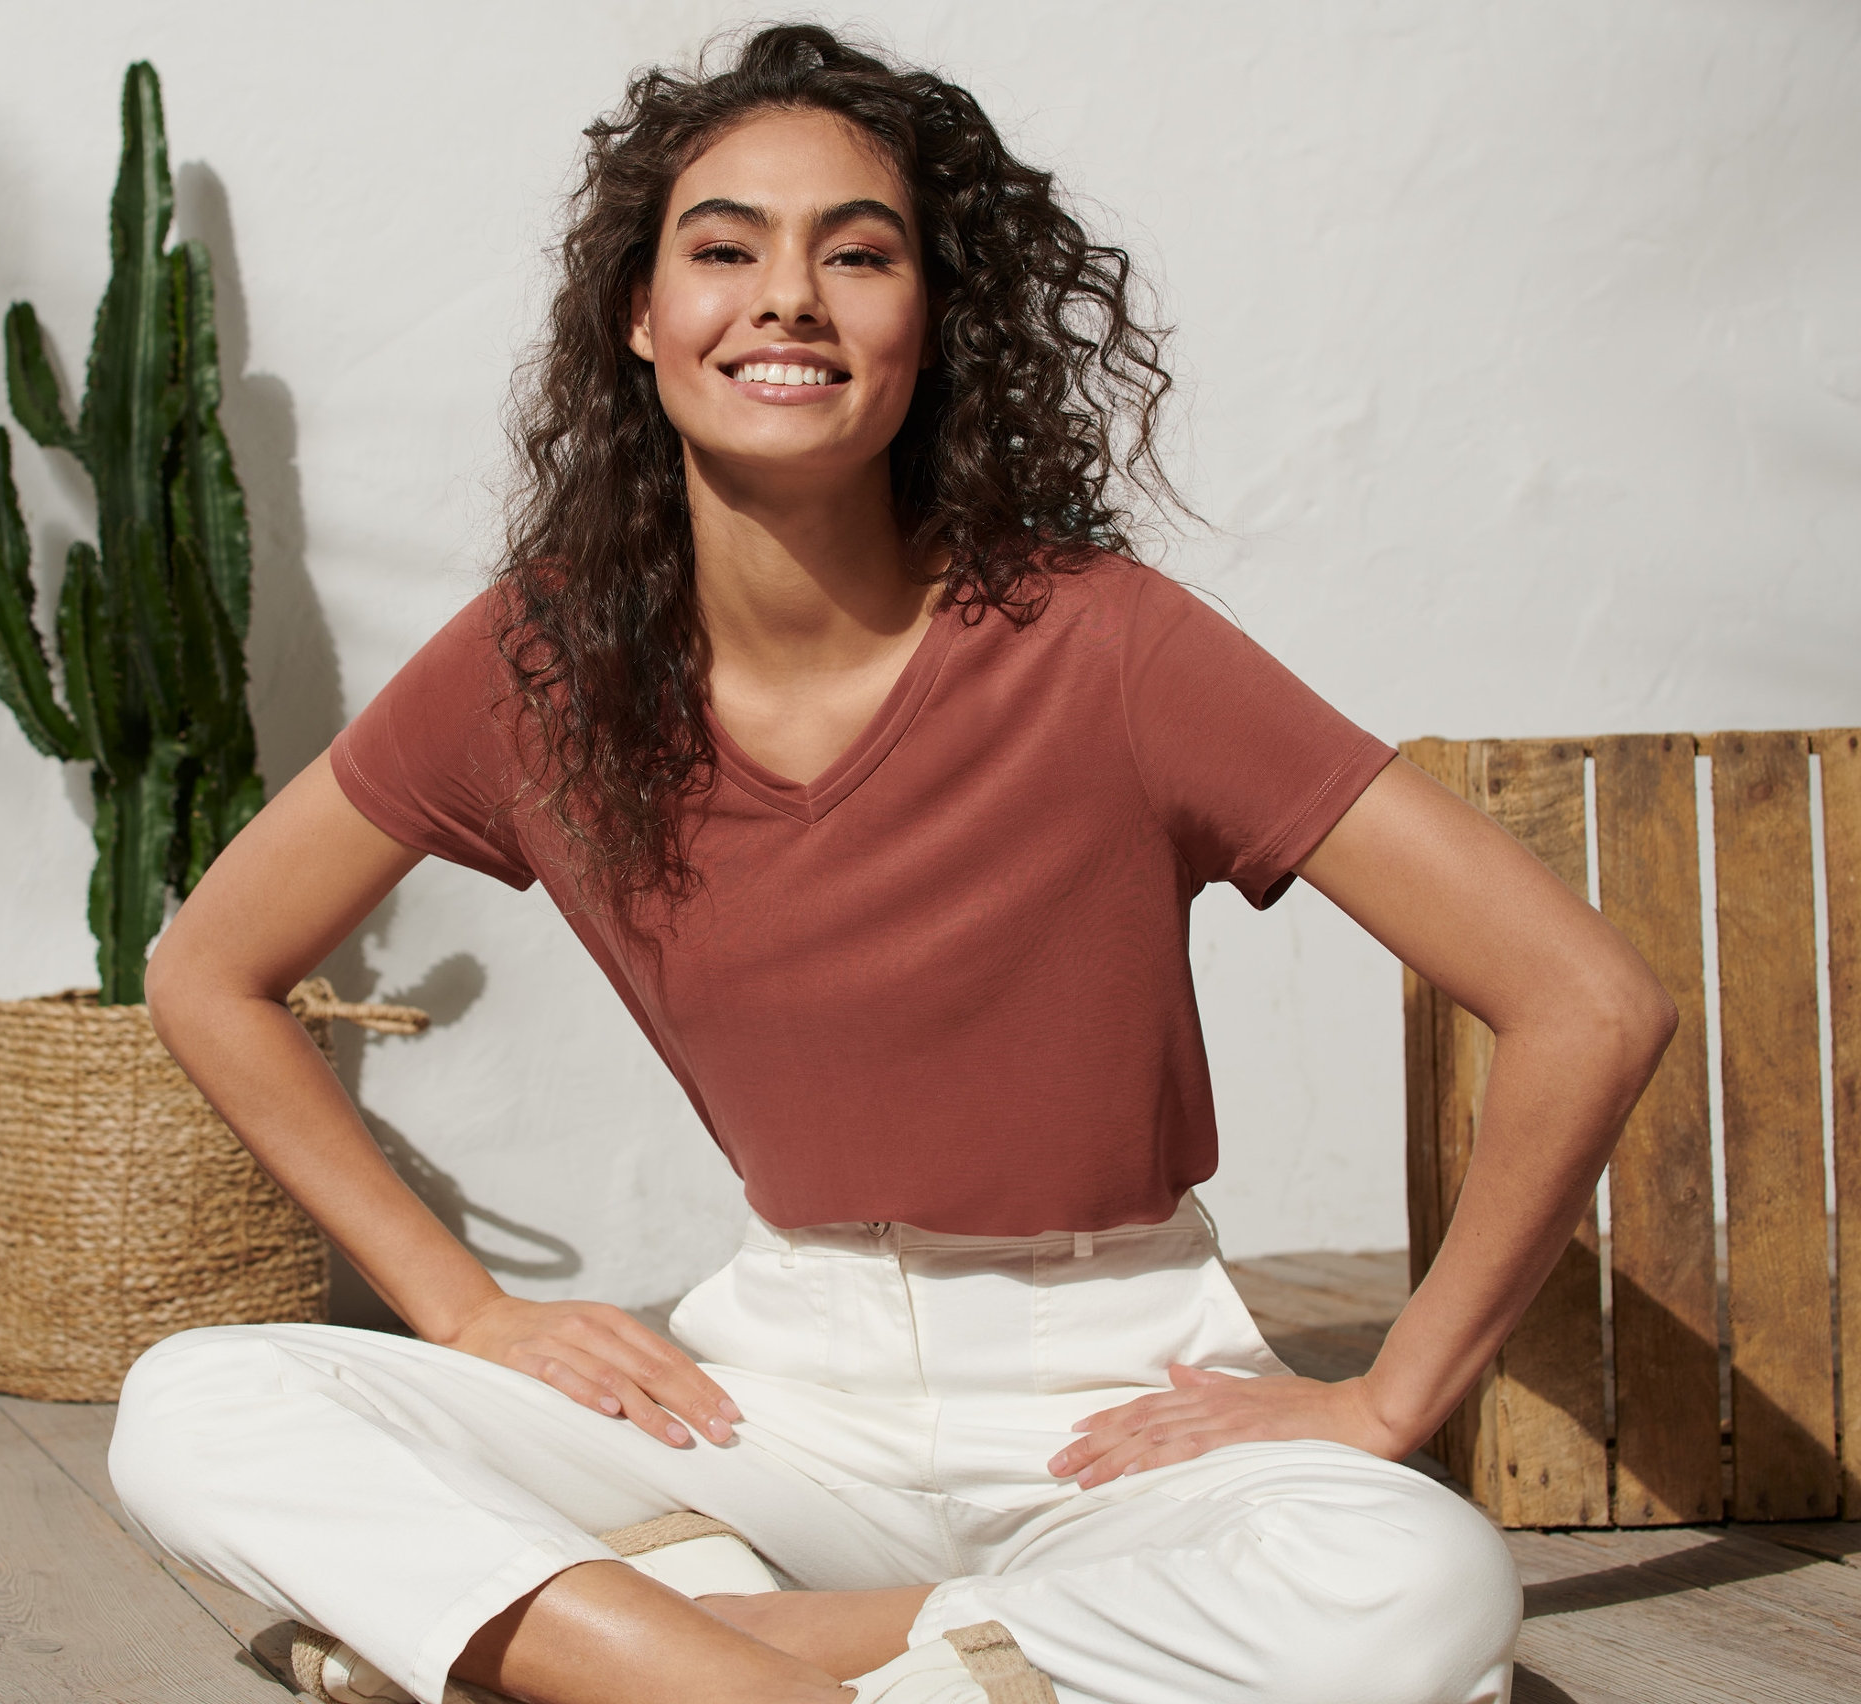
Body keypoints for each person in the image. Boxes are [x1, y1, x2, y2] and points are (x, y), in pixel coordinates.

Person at [109, 24, 1674, 1704]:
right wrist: (466, 1312)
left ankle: (676, 1644)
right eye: (725, 251)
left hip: (1114, 1405)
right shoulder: (536, 665)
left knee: (1419, 1588)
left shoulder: (1108, 645)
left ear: (932, 326)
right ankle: (835, 1670)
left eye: (858, 256)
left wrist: (1385, 1401)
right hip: (773, 1406)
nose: (788, 297)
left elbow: (1588, 1001)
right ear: (639, 314)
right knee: (199, 1404)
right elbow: (208, 971)